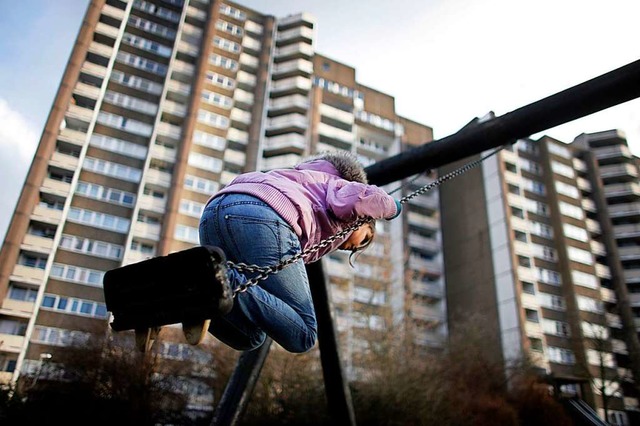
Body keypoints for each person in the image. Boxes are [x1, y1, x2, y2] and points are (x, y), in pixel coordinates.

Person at [184, 151, 401, 353]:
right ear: (366, 220)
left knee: (250, 337)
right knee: (304, 334)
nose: (352, 247)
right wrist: (393, 207)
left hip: (213, 213)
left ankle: (194, 296)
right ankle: (215, 280)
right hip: (263, 214)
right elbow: (360, 199)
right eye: (363, 239)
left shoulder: (303, 179)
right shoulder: (343, 186)